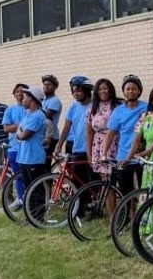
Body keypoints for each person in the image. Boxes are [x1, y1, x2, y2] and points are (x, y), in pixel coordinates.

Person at [103, 75, 148, 196]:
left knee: (144, 191)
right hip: (123, 157)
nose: (131, 91)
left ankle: (140, 214)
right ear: (123, 91)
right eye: (127, 89)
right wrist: (104, 154)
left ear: (139, 91)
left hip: (142, 156)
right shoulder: (118, 111)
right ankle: (131, 214)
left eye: (134, 88)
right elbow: (110, 134)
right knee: (126, 192)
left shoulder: (147, 108)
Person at [55, 76, 94, 215]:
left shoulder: (94, 106)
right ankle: (79, 209)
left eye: (79, 90)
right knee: (77, 181)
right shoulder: (73, 106)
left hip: (92, 150)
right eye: (73, 90)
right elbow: (66, 128)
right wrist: (59, 146)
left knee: (92, 181)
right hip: (77, 149)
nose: (76, 93)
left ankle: (94, 207)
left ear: (87, 90)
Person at [16, 86, 49, 220]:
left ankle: (38, 217)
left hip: (34, 157)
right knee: (28, 188)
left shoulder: (38, 115)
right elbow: (19, 130)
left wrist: (19, 134)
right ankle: (30, 216)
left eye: (25, 97)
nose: (22, 99)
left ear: (33, 99)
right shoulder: (27, 114)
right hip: (24, 157)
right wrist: (20, 133)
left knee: (36, 189)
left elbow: (24, 135)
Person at [1, 83, 29, 209]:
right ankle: (20, 199)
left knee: (28, 175)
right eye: (17, 91)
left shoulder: (30, 108)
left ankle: (29, 198)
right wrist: (22, 125)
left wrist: (15, 126)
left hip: (28, 147)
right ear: (14, 94)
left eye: (22, 91)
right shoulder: (10, 110)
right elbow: (6, 128)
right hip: (14, 147)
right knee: (17, 175)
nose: (20, 93)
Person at [86, 78, 121, 178]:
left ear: (111, 89)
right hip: (98, 146)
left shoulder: (119, 105)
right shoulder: (92, 107)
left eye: (105, 88)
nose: (103, 91)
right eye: (100, 89)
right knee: (105, 181)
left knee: (119, 178)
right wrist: (89, 155)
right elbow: (89, 133)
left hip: (117, 144)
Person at [41, 74, 63, 168]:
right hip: (42, 136)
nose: (46, 86)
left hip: (51, 136)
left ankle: (48, 182)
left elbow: (46, 116)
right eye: (45, 84)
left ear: (55, 87)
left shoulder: (55, 101)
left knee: (45, 165)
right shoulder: (43, 100)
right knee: (41, 164)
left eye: (49, 84)